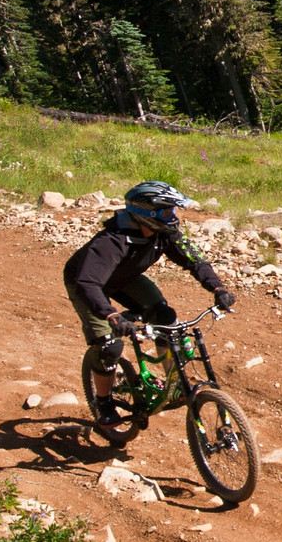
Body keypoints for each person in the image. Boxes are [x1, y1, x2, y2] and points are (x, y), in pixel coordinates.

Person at [64, 181, 236, 429]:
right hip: (87, 283)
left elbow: (194, 260)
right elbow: (88, 283)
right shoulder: (113, 241)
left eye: (175, 210)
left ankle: (173, 382)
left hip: (125, 277)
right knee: (109, 347)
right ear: (146, 213)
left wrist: (217, 288)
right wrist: (111, 315)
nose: (174, 216)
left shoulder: (164, 234)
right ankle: (103, 402)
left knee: (165, 317)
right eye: (168, 211)